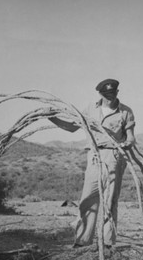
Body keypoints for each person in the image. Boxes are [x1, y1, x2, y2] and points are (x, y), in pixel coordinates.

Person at [48, 78, 135, 248]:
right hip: (94, 156)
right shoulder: (90, 109)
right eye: (106, 94)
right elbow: (72, 127)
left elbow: (131, 137)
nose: (109, 97)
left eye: (112, 94)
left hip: (114, 156)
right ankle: (83, 241)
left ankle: (108, 243)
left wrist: (126, 144)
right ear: (100, 94)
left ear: (117, 93)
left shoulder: (126, 112)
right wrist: (52, 118)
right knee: (88, 198)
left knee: (110, 200)